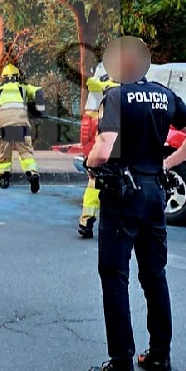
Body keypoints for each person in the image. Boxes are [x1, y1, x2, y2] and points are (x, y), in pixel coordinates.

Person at [84, 36, 186, 371]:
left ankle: (122, 366)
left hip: (122, 195)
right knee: (155, 276)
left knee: (114, 277)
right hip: (154, 193)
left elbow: (104, 148)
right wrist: (166, 164)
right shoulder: (165, 95)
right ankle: (159, 356)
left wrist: (89, 163)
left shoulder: (116, 97)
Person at [0, 64, 46, 193]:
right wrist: (40, 111)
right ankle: (32, 173)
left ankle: (4, 177)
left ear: (3, 78)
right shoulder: (23, 87)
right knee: (26, 152)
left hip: (4, 123)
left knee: (5, 152)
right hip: (20, 122)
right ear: (17, 77)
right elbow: (39, 91)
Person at [78, 56, 119, 238]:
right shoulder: (135, 87)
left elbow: (91, 83)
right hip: (125, 143)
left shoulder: (107, 85)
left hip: (106, 139)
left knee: (94, 181)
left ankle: (86, 221)